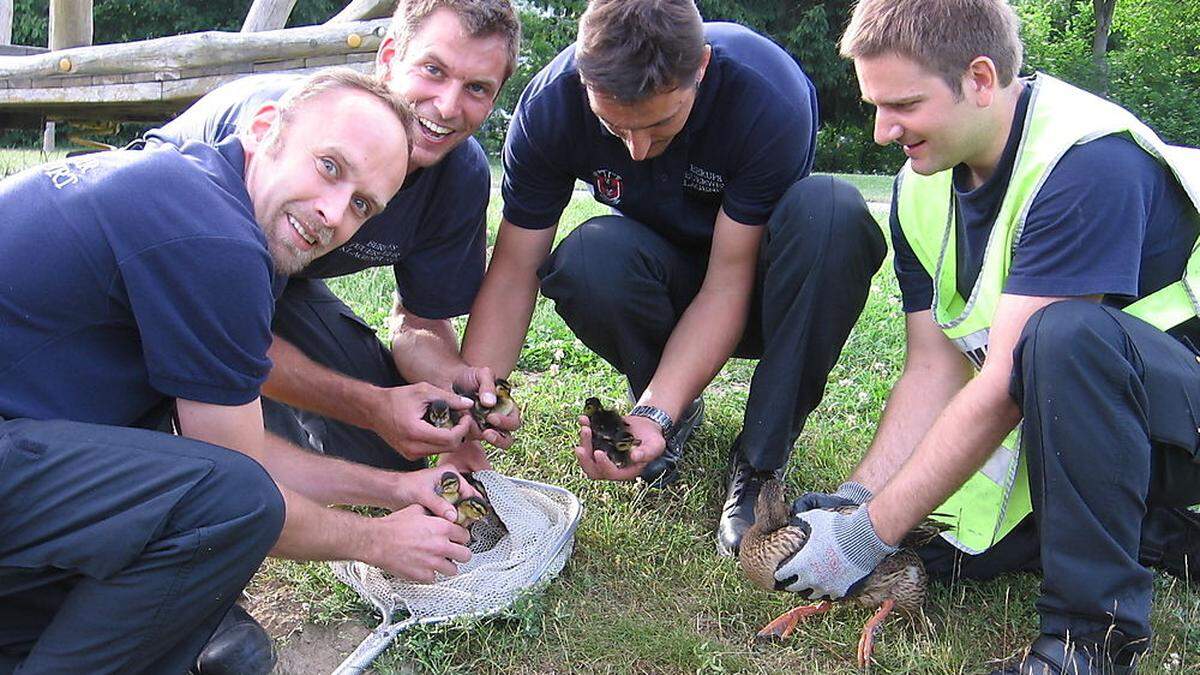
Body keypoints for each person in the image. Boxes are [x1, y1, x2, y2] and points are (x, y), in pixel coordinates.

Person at [0, 69, 475, 674]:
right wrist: (378, 542)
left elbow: (238, 452)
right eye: (330, 166)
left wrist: (397, 489)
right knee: (233, 505)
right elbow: (243, 492)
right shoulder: (213, 238)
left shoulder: (201, 190)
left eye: (362, 205)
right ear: (262, 129)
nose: (333, 214)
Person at [774, 1, 1200, 672]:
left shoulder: (1087, 161)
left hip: (1182, 419)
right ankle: (1158, 530)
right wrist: (860, 497)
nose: (883, 131)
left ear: (979, 77)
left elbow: (1005, 381)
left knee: (1064, 336)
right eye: (875, 105)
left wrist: (863, 536)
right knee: (942, 553)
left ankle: (1087, 645)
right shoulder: (921, 186)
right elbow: (932, 371)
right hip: (1107, 426)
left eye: (904, 104)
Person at [459, 0, 885, 557]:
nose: (635, 148)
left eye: (659, 122)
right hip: (662, 279)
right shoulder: (551, 106)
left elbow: (728, 280)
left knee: (832, 212)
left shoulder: (767, 95)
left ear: (701, 68)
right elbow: (515, 267)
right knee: (589, 257)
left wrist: (653, 409)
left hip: (760, 288)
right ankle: (668, 417)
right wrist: (470, 419)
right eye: (614, 127)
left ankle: (760, 462)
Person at [145, 0, 524, 476]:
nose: (448, 106)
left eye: (476, 88)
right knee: (214, 428)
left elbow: (420, 321)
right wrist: (369, 404)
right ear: (389, 56)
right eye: (433, 70)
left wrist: (455, 386)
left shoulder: (459, 175)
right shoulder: (295, 124)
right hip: (170, 277)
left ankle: (254, 404)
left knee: (386, 448)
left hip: (278, 283)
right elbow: (217, 323)